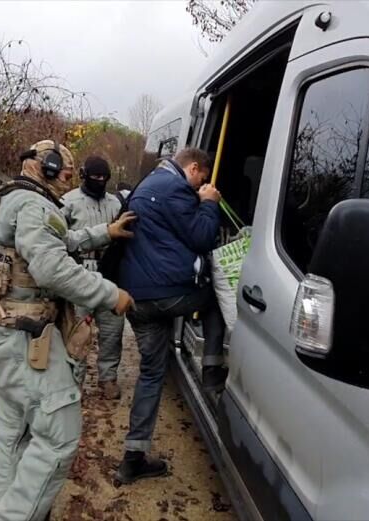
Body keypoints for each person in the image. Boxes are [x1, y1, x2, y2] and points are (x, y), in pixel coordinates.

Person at [0, 140, 135, 521]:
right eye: (65, 171)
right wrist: (110, 294)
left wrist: (105, 233)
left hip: (1, 333)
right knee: (59, 437)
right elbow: (52, 268)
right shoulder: (33, 204)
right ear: (46, 167)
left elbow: (61, 242)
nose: (69, 178)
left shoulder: (9, 199)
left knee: (11, 439)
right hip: (26, 340)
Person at [115, 147, 227, 484]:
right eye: (201, 179)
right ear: (194, 168)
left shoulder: (147, 183)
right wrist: (208, 203)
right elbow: (202, 237)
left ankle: (132, 459)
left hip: (137, 299)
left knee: (151, 374)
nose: (200, 185)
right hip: (167, 295)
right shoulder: (177, 188)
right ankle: (211, 368)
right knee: (215, 298)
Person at [61, 156, 126, 399]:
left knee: (112, 331)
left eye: (104, 178)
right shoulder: (68, 202)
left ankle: (108, 378)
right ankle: (73, 382)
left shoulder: (116, 204)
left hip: (109, 276)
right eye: (95, 177)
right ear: (83, 175)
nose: (99, 181)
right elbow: (59, 238)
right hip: (79, 276)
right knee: (78, 332)